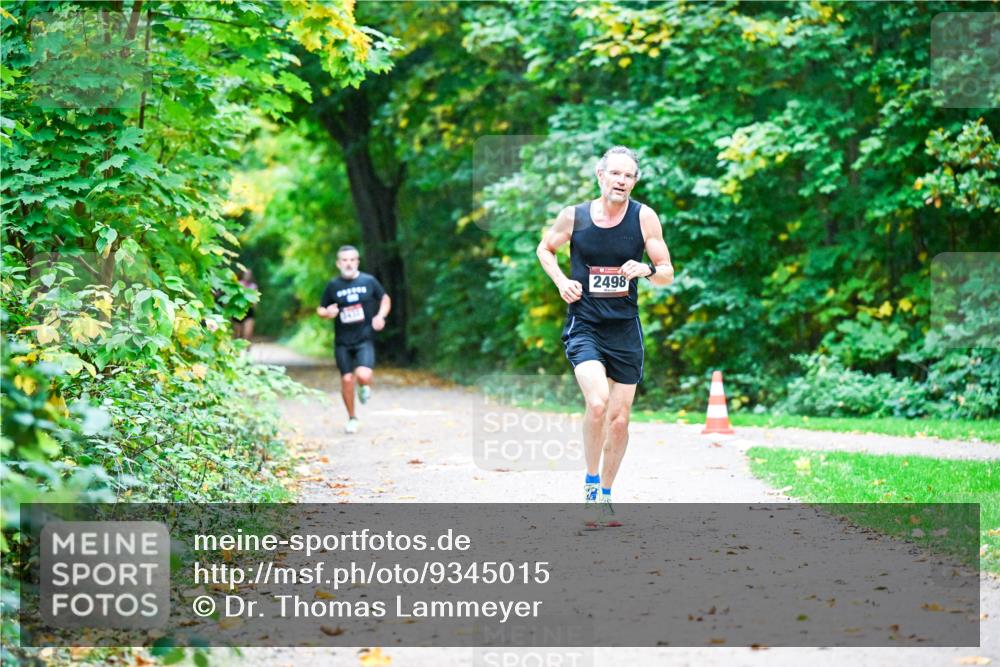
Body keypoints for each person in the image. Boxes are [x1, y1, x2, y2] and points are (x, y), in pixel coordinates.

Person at [536, 146, 674, 525]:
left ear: (635, 182)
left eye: (629, 176)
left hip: (625, 329)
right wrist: (561, 281)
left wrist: (646, 270)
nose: (621, 181)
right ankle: (591, 483)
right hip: (585, 325)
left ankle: (607, 494)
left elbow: (667, 272)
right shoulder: (575, 216)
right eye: (615, 173)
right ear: (601, 176)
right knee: (597, 403)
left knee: (619, 420)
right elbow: (545, 249)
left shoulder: (644, 217)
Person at [317, 245, 391, 434]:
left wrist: (380, 316)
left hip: (364, 338)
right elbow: (321, 308)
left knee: (363, 374)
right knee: (347, 379)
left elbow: (385, 298)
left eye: (352, 260)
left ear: (357, 262)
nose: (348, 264)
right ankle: (352, 418)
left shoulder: (368, 281)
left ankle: (364, 386)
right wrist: (327, 313)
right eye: (345, 260)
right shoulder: (333, 285)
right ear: (338, 263)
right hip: (342, 341)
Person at [234, 269, 257, 342]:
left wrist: (255, 307)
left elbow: (255, 299)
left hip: (249, 310)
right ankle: (237, 347)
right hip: (238, 310)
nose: (248, 276)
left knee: (247, 333)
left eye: (249, 274)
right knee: (237, 333)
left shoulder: (253, 286)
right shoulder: (238, 284)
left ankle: (247, 347)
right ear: (243, 274)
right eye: (246, 274)